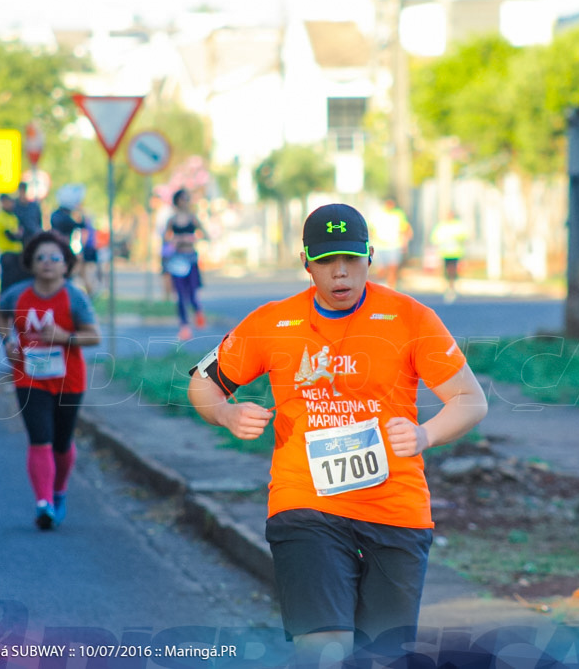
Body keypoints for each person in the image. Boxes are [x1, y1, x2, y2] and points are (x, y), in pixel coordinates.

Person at [186, 203, 487, 666]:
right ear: (306, 261)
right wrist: (225, 415)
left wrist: (426, 435)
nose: (340, 273)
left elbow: (470, 399)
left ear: (371, 256)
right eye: (326, 261)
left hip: (396, 508)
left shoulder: (410, 318)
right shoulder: (272, 322)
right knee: (323, 651)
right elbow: (203, 383)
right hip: (305, 504)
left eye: (350, 258)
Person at [0, 230, 101, 530]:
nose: (47, 263)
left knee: (62, 442)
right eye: (40, 258)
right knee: (40, 438)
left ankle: (58, 492)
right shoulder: (17, 294)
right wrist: (8, 342)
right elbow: (1, 316)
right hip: (29, 377)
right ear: (30, 263)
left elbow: (95, 336)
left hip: (69, 379)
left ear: (66, 265)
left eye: (55, 258)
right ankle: (43, 504)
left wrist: (65, 337)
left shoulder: (74, 297)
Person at [163, 188, 208, 341]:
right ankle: (184, 326)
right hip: (177, 261)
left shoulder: (192, 218)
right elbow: (165, 239)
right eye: (182, 199)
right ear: (177, 201)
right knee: (180, 296)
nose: (185, 202)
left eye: (187, 198)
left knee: (193, 293)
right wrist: (173, 241)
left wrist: (191, 238)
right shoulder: (172, 220)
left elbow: (204, 234)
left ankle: (198, 311)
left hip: (191, 259)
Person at [369, 199, 412, 290]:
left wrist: (405, 243)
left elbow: (405, 229)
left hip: (394, 245)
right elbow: (371, 230)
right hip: (380, 246)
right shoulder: (378, 214)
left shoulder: (399, 214)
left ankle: (391, 289)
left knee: (393, 268)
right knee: (381, 270)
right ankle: (382, 287)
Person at [0, 194, 29, 292]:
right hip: (7, 254)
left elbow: (21, 234)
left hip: (17, 253)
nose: (11, 204)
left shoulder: (13, 216)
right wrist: (18, 235)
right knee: (7, 283)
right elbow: (12, 236)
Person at [431, 211, 469, 303]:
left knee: (453, 270)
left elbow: (464, 237)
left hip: (455, 253)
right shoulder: (442, 226)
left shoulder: (458, 225)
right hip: (445, 253)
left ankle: (452, 287)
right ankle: (448, 286)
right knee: (447, 270)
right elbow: (434, 238)